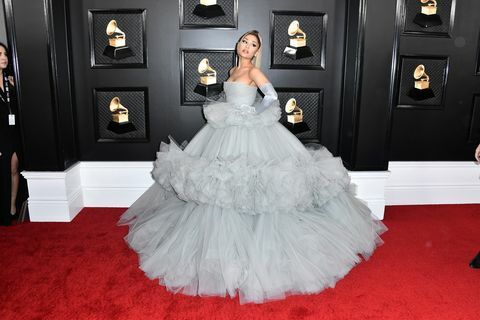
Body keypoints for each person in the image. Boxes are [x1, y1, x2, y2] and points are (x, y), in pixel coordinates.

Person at [119, 30, 387, 304]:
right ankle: (229, 244)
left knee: (252, 181)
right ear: (238, 45)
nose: (247, 46)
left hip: (250, 130)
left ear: (257, 50)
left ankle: (259, 243)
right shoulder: (234, 69)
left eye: (253, 44)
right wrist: (231, 111)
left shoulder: (254, 73)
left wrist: (253, 113)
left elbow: (271, 98)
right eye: (245, 42)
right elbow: (233, 96)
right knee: (224, 183)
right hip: (224, 131)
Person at [0, 42, 20, 226]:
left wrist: (16, 88)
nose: (4, 57)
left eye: (5, 53)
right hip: (0, 135)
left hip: (12, 132)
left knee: (14, 167)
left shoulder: (10, 81)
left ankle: (12, 206)